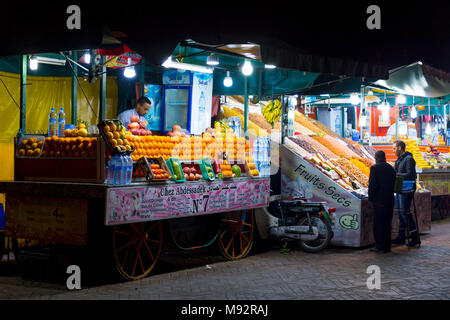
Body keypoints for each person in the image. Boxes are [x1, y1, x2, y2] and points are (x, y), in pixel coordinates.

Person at [392, 140, 421, 247]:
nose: (393, 150)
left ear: (400, 148)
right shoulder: (398, 160)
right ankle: (401, 237)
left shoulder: (409, 159)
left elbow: (410, 174)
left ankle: (415, 237)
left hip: (407, 189)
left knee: (405, 212)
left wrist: (397, 175)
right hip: (400, 189)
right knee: (401, 213)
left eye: (394, 148)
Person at [368, 150, 396, 253]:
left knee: (378, 224)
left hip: (379, 201)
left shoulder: (375, 168)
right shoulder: (391, 168)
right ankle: (387, 246)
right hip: (389, 200)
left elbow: (373, 185)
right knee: (387, 223)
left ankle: (379, 246)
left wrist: (370, 197)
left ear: (376, 158)